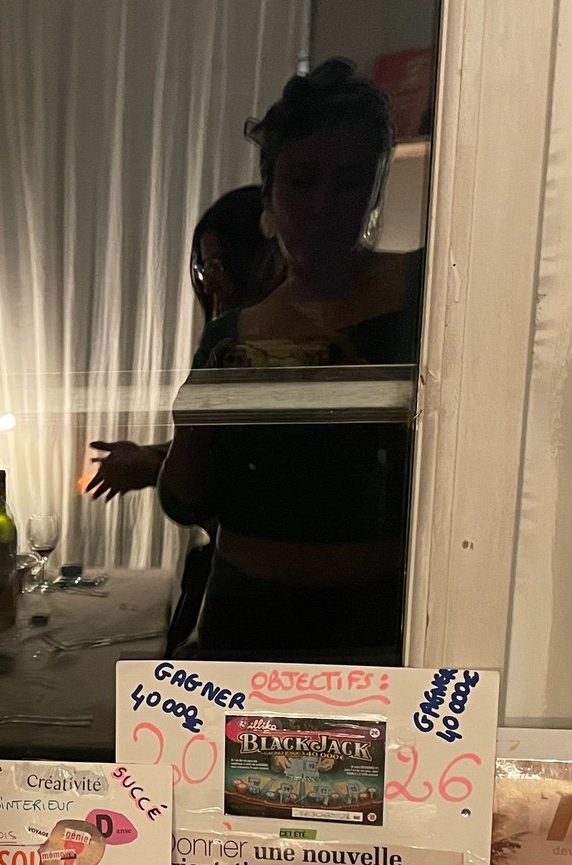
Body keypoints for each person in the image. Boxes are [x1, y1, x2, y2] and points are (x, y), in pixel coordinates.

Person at [158, 59, 421, 661]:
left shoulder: (426, 293)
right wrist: (196, 418)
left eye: (350, 180)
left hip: (376, 622)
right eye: (302, 181)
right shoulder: (233, 336)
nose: (324, 205)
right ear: (270, 198)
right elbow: (183, 501)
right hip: (246, 621)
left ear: (376, 190)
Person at [81, 186, 281, 655]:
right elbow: (227, 450)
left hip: (264, 601)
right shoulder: (234, 342)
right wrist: (150, 456)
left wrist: (152, 467)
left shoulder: (251, 348)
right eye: (205, 266)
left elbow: (234, 483)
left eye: (218, 265)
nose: (210, 281)